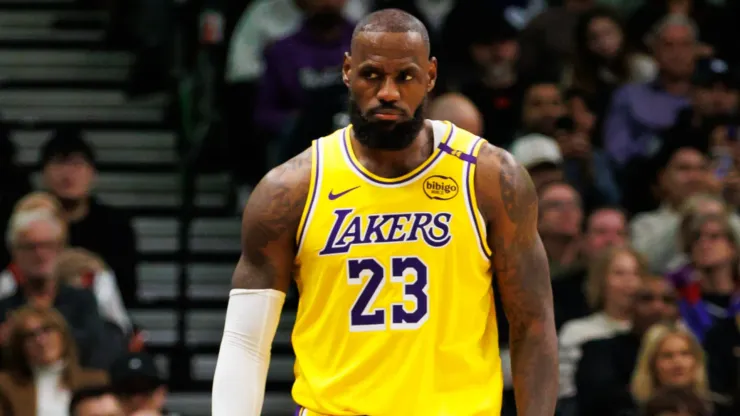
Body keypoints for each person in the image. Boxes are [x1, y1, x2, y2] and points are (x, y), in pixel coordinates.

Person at [212, 8, 558, 416]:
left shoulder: (491, 179)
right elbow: (245, 341)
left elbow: (532, 324)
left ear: (430, 76)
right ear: (347, 71)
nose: (388, 92)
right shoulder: (289, 190)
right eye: (372, 74)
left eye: (405, 76)